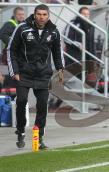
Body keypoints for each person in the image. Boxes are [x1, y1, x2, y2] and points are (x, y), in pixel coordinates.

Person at [7, 4, 65, 149]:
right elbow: (11, 50)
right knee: (21, 101)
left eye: (44, 14)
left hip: (43, 75)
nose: (41, 17)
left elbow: (58, 51)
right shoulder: (22, 28)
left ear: (48, 16)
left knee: (42, 106)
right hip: (24, 74)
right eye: (39, 14)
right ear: (34, 14)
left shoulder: (54, 31)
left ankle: (39, 138)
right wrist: (15, 72)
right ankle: (20, 131)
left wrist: (60, 69)